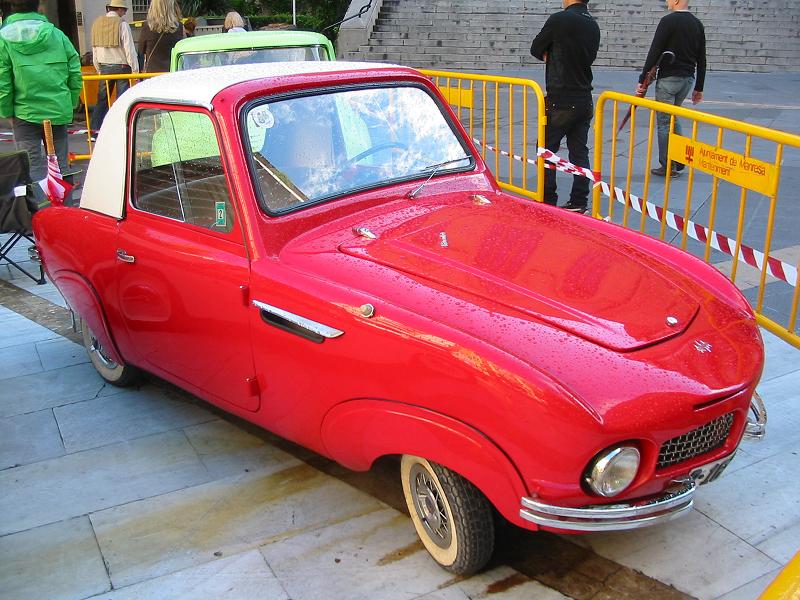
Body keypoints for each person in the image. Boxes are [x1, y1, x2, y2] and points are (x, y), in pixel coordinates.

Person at [530, 0, 600, 214]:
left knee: (545, 149)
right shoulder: (593, 24)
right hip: (584, 97)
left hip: (561, 98)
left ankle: (547, 199)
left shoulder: (559, 19)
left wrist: (550, 54)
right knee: (579, 152)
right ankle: (579, 200)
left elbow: (536, 48)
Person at [0, 0, 81, 180]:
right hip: (57, 110)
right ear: (38, 7)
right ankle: (63, 199)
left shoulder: (3, 39)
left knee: (31, 168)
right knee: (60, 166)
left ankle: (38, 200)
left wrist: (7, 112)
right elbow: (75, 72)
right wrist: (70, 103)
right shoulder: (57, 35)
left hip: (23, 113)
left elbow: (3, 82)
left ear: (11, 8)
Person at [638, 0, 706, 177]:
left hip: (668, 79)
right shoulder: (697, 24)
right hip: (687, 80)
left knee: (664, 123)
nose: (667, 1)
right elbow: (702, 58)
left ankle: (667, 165)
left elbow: (655, 51)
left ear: (676, 0)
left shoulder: (668, 21)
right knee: (673, 117)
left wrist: (643, 78)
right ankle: (679, 159)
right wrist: (699, 87)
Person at [90, 0, 138, 131]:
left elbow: (95, 48)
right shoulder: (122, 24)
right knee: (121, 99)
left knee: (102, 99)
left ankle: (95, 129)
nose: (125, 13)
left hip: (104, 66)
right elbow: (129, 49)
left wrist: (98, 68)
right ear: (119, 9)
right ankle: (119, 128)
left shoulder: (97, 23)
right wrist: (135, 70)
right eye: (125, 10)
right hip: (122, 66)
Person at [139, 0, 184, 73]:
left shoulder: (147, 27)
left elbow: (141, 50)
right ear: (171, 6)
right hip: (173, 72)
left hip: (153, 74)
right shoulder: (179, 27)